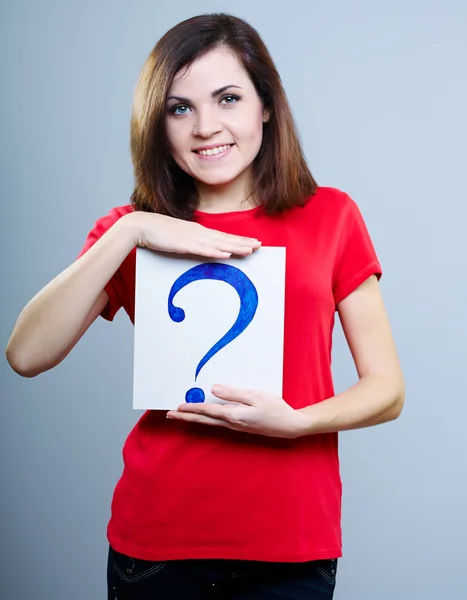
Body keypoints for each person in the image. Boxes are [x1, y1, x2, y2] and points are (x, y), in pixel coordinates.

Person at [5, 12, 405, 600]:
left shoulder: (331, 217)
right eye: (180, 107)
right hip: (158, 545)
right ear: (158, 122)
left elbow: (388, 389)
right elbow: (25, 354)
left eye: (228, 98)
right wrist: (133, 231)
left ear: (265, 106)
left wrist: (297, 423)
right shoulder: (130, 231)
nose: (206, 127)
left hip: (291, 544)